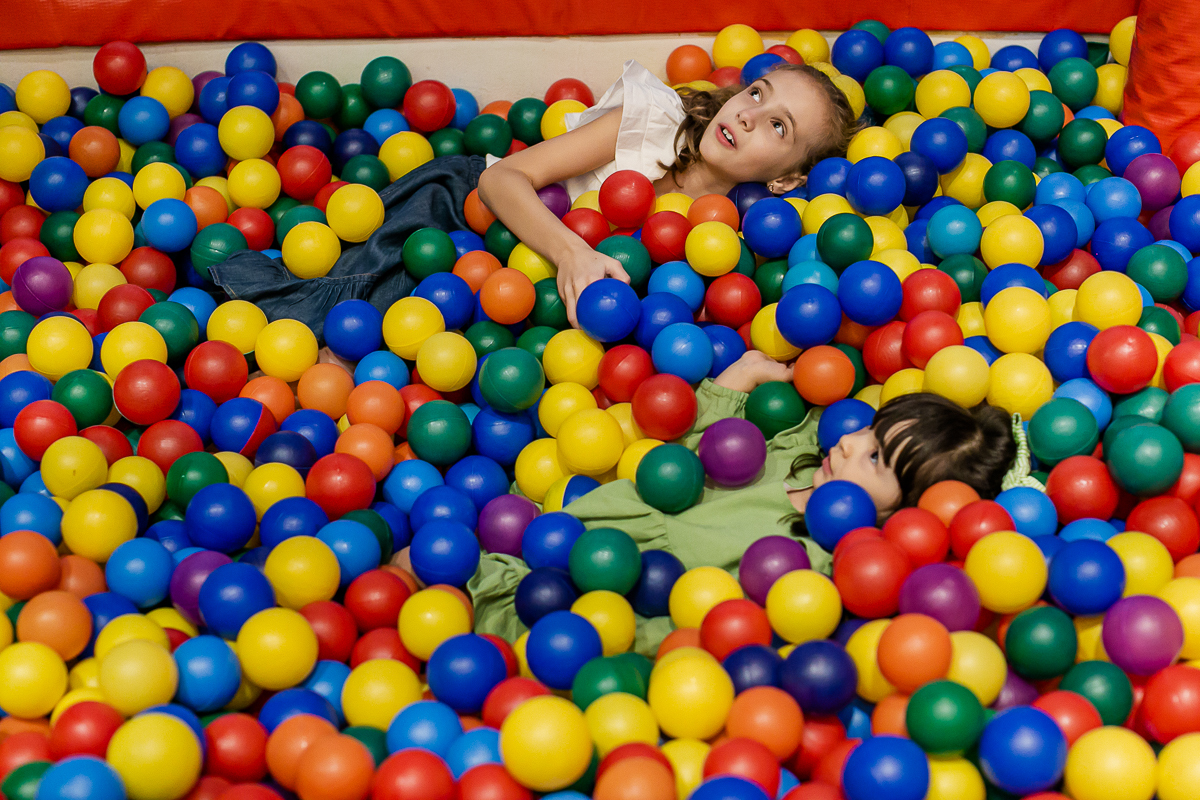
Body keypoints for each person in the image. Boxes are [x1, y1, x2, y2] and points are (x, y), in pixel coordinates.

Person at [209, 60, 859, 333]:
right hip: (462, 210)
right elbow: (502, 181)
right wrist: (571, 254)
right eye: (757, 93)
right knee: (340, 311)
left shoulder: (732, 239)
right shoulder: (653, 119)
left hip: (506, 283)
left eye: (779, 127)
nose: (749, 115)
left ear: (787, 181)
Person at [468, 350, 1031, 657]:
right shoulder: (795, 451)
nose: (852, 442)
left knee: (436, 594)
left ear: (899, 515)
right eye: (871, 430)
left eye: (877, 459)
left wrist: (606, 646)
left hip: (576, 606)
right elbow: (697, 452)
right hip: (547, 521)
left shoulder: (807, 566)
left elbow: (701, 624)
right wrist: (733, 383)